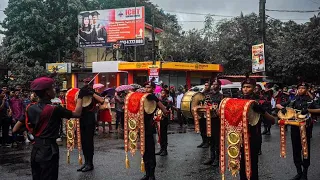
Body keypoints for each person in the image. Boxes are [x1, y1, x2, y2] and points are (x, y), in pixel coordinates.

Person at [12, 77, 88, 180]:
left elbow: (15, 129)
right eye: (52, 88)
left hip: (35, 150)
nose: (54, 90)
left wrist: (33, 129)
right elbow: (77, 113)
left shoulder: (30, 108)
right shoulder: (55, 109)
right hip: (49, 150)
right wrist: (79, 97)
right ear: (47, 92)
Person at [276, 82, 320, 180]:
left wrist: (309, 110)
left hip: (306, 129)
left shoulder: (310, 101)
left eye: (303, 88)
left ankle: (305, 173)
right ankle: (299, 172)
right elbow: (278, 104)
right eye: (299, 88)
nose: (301, 90)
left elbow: (319, 110)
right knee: (296, 151)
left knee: (305, 151)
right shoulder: (293, 99)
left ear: (307, 89)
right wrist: (283, 109)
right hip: (294, 128)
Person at [239, 76, 275, 180]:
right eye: (244, 87)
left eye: (248, 87)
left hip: (254, 135)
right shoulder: (238, 99)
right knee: (241, 163)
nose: (245, 89)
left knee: (252, 163)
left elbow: (272, 120)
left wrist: (262, 111)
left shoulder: (260, 101)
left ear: (254, 87)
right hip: (239, 136)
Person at [140, 81, 168, 180]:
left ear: (152, 89)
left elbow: (164, 110)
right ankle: (147, 174)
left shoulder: (154, 98)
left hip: (150, 128)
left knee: (151, 152)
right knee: (144, 152)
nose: (146, 89)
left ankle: (152, 174)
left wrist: (156, 100)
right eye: (145, 87)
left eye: (148, 87)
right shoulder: (142, 97)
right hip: (141, 128)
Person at [77, 78, 105, 172]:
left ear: (92, 84)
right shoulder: (81, 91)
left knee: (89, 142)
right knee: (83, 142)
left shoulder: (93, 93)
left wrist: (91, 93)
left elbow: (101, 101)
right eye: (84, 82)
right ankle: (86, 162)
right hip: (81, 118)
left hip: (90, 118)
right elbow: (75, 101)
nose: (86, 84)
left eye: (88, 82)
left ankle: (90, 163)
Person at [203, 79, 223, 166]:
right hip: (208, 119)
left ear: (219, 86)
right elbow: (204, 104)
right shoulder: (208, 95)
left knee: (216, 140)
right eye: (213, 84)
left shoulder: (221, 96)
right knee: (210, 139)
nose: (214, 86)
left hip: (217, 120)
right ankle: (211, 157)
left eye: (216, 84)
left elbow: (222, 107)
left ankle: (217, 159)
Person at [155, 89, 173, 156]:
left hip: (164, 119)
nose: (162, 94)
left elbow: (168, 109)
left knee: (164, 135)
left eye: (163, 93)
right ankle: (161, 149)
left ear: (166, 94)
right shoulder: (159, 100)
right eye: (161, 93)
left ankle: (165, 150)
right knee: (160, 134)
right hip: (158, 119)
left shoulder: (168, 101)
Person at [197, 81, 211, 148]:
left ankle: (207, 142)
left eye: (207, 85)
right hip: (202, 113)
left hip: (208, 114)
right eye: (205, 85)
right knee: (202, 128)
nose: (206, 87)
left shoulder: (211, 93)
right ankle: (203, 141)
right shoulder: (202, 93)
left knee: (207, 128)